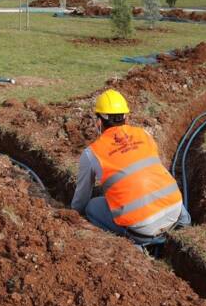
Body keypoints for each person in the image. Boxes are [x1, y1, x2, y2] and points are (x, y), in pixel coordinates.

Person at [71, 89, 190, 245]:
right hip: (175, 211)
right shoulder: (144, 134)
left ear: (99, 122)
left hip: (142, 228)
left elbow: (82, 197)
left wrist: (73, 215)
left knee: (92, 206)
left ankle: (133, 247)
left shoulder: (92, 153)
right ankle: (185, 225)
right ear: (126, 117)